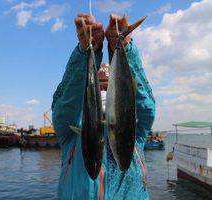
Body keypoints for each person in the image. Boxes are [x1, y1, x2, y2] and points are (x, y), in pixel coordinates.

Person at [51, 13, 155, 200]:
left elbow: (146, 105)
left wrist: (123, 49)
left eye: (108, 84)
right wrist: (85, 52)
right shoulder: (70, 132)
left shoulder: (135, 132)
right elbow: (65, 100)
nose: (104, 90)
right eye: (99, 84)